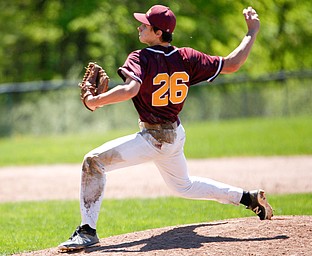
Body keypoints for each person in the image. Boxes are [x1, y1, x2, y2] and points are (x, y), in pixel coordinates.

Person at [58, 4, 273, 252]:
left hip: (154, 138)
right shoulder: (188, 57)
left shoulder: (141, 57)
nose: (139, 26)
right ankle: (248, 197)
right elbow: (233, 64)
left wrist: (94, 102)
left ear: (159, 32)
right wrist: (252, 32)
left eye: (145, 24)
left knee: (93, 162)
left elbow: (130, 90)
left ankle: (87, 232)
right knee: (184, 186)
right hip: (174, 134)